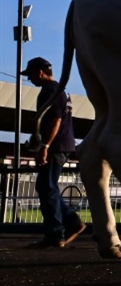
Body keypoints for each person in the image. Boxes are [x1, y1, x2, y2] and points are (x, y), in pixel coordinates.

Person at [21, 57, 86, 249]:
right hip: (64, 145)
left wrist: (45, 146)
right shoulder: (59, 90)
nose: (30, 79)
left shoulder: (50, 91)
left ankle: (56, 233)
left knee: (46, 187)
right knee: (47, 186)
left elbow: (55, 120)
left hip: (56, 146)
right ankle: (71, 222)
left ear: (40, 72)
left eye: (30, 74)